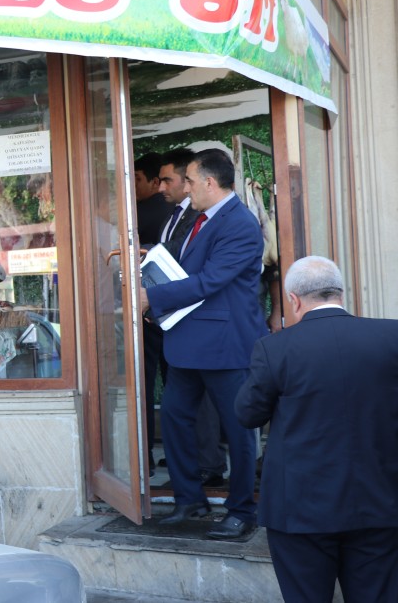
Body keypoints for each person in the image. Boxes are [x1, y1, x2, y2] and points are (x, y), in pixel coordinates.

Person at [235, 257, 398, 602]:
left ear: (294, 300)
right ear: (341, 294)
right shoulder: (395, 335)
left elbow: (247, 414)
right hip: (380, 499)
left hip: (299, 508)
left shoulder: (274, 348)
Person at [140, 147, 266, 539]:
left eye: (190, 180)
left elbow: (210, 280)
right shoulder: (198, 217)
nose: (184, 187)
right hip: (186, 341)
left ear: (211, 183)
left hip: (226, 346)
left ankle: (242, 510)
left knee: (238, 430)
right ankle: (188, 499)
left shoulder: (241, 224)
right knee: (176, 420)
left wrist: (153, 298)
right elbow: (184, 271)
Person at [156, 148, 227, 487]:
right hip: (177, 326)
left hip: (209, 332)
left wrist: (151, 296)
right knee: (175, 412)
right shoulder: (179, 216)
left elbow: (205, 279)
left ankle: (212, 471)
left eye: (171, 179)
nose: (163, 187)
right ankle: (188, 490)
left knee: (212, 410)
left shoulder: (220, 219)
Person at [136, 151, 177, 474]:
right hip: (166, 311)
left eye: (137, 180)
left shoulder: (150, 211)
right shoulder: (175, 213)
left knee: (148, 379)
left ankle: (145, 454)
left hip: (155, 308)